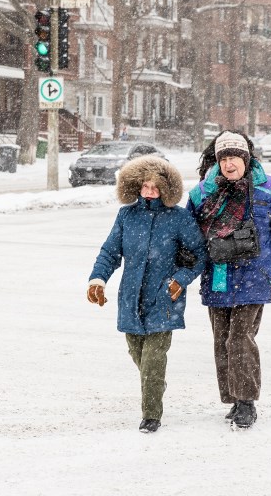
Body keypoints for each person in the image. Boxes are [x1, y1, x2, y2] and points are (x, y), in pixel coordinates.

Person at [186, 130, 271, 429]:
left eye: (234, 157)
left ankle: (247, 401)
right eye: (223, 158)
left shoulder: (270, 191)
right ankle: (233, 397)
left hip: (254, 277)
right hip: (218, 277)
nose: (229, 164)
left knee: (240, 339)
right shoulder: (202, 193)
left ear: (246, 158)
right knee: (221, 340)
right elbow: (186, 236)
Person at [87, 156, 207, 433]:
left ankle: (151, 414)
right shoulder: (126, 216)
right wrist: (98, 279)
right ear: (136, 186)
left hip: (164, 298)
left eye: (156, 186)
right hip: (131, 298)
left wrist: (180, 279)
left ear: (166, 188)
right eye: (145, 186)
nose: (150, 191)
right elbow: (110, 252)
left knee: (153, 361)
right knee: (137, 353)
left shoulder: (179, 218)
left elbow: (199, 255)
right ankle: (155, 384)